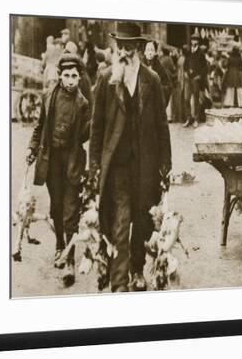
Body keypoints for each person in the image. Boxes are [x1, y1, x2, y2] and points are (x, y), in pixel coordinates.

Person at [89, 22, 172, 292]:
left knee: (143, 221)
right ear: (115, 48)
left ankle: (138, 269)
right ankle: (120, 281)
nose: (123, 52)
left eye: (128, 47)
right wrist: (94, 166)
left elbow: (162, 125)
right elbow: (97, 126)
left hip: (145, 166)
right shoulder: (105, 78)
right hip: (117, 167)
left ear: (138, 48)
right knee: (120, 221)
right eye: (119, 46)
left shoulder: (152, 80)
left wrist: (165, 165)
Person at [26, 54, 91, 287]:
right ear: (59, 76)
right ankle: (60, 245)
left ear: (80, 77)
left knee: (71, 209)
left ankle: (70, 258)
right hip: (51, 159)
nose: (71, 81)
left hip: (72, 161)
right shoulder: (48, 97)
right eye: (67, 76)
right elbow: (40, 126)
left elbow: (86, 134)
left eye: (75, 76)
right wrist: (33, 148)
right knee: (56, 207)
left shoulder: (83, 104)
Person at [183, 33, 208, 127]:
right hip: (188, 79)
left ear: (198, 42)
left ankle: (196, 119)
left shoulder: (201, 54)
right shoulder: (188, 52)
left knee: (196, 99)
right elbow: (185, 64)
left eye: (196, 40)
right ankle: (188, 118)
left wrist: (199, 76)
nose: (194, 41)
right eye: (193, 39)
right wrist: (185, 72)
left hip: (195, 79)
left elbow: (205, 68)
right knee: (186, 99)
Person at [144, 41, 173, 107]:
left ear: (155, 53)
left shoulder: (160, 68)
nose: (150, 53)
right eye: (148, 50)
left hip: (154, 104)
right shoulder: (140, 66)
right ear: (144, 52)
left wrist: (157, 88)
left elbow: (168, 87)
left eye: (152, 50)